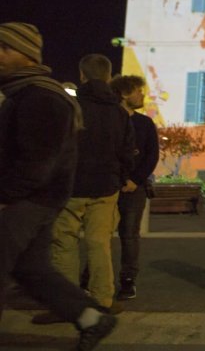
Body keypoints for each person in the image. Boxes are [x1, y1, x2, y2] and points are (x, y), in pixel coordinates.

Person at [0, 22, 117, 349]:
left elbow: (37, 160)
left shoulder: (39, 97)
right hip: (40, 197)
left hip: (27, 199)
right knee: (32, 270)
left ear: (26, 53)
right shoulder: (25, 93)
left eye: (4, 48)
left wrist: (6, 196)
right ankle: (91, 318)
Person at [37, 54, 135, 324]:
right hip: (106, 187)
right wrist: (119, 177)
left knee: (64, 242)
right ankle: (103, 299)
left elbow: (54, 146)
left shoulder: (69, 106)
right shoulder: (119, 112)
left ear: (82, 75)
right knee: (99, 243)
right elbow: (127, 151)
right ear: (108, 77)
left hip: (71, 186)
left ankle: (68, 304)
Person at [109, 75, 159, 301]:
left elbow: (151, 156)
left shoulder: (145, 123)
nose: (142, 95)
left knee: (129, 235)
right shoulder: (109, 119)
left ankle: (128, 280)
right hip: (110, 185)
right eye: (138, 91)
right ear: (124, 94)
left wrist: (135, 180)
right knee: (99, 235)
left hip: (134, 188)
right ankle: (91, 276)